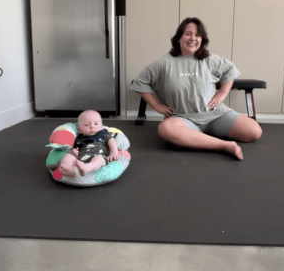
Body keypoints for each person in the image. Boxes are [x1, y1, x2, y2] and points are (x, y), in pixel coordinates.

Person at [131, 17, 263, 160]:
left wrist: (222, 93)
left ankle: (199, 138)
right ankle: (224, 145)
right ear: (179, 37)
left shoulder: (210, 60)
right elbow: (141, 82)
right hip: (183, 118)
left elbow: (229, 70)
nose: (193, 38)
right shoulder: (163, 62)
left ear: (202, 39)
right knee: (166, 129)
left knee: (254, 131)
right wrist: (157, 106)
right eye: (188, 34)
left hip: (215, 115)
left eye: (197, 35)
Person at [58, 110, 119, 177]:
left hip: (99, 156)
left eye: (96, 124)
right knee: (67, 156)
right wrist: (74, 152)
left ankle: (87, 168)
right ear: (80, 130)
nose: (92, 127)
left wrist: (114, 152)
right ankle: (69, 169)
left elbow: (112, 141)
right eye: (86, 125)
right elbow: (75, 149)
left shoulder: (103, 133)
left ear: (101, 126)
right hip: (81, 160)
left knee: (98, 159)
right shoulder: (79, 138)